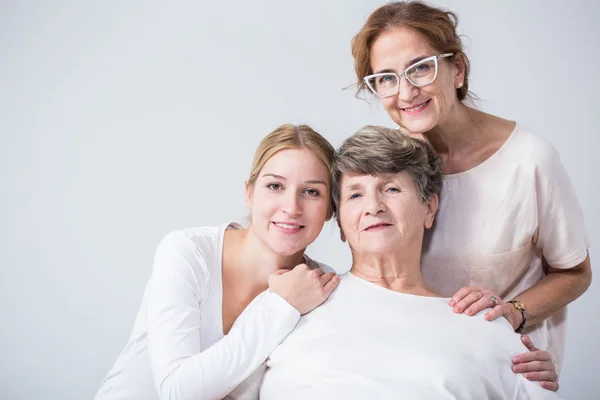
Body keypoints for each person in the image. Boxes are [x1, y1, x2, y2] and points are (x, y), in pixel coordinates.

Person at [348, 1, 591, 389]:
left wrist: (513, 313)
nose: (406, 91)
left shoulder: (530, 161)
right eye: (387, 78)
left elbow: (575, 273)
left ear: (457, 69)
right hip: (424, 367)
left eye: (420, 68)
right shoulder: (392, 164)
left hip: (504, 367)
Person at [260, 125, 562, 400]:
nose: (373, 207)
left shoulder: (484, 326)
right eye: (355, 195)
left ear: (429, 208)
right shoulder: (292, 303)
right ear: (340, 223)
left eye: (391, 189)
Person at [94, 124, 340, 400]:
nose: (291, 207)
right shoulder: (187, 252)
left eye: (311, 192)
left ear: (331, 208)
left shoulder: (319, 286)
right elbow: (178, 391)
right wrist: (281, 305)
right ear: (249, 193)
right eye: (275, 186)